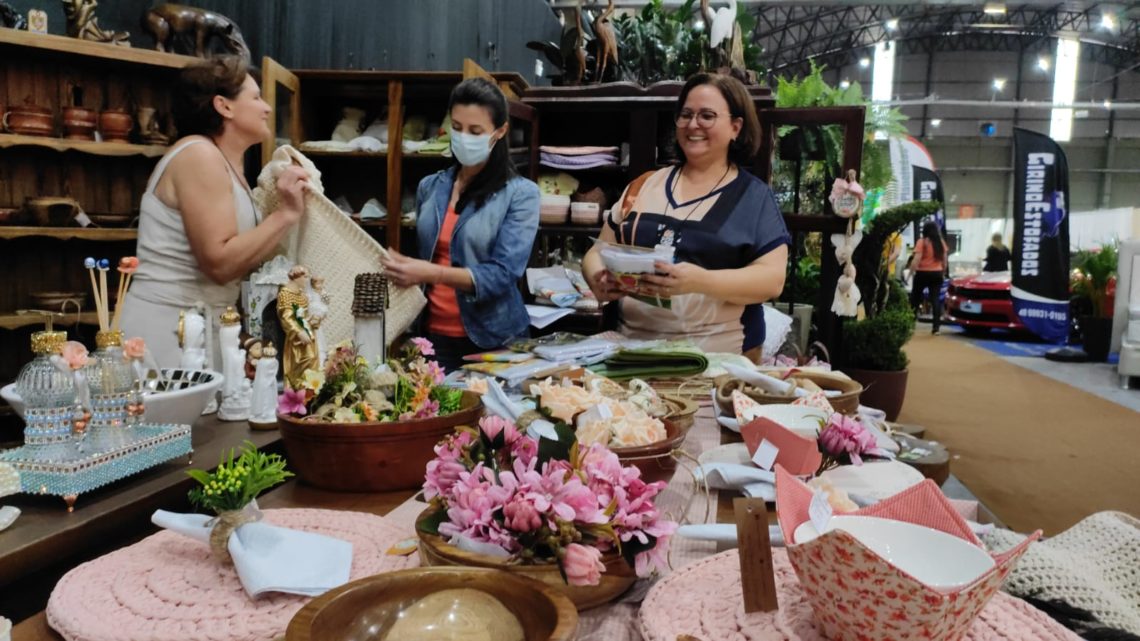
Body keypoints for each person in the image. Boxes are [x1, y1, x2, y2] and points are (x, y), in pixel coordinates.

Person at [581, 73, 790, 357]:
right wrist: (597, 277)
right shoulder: (642, 186)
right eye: (686, 114)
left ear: (735, 127)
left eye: (707, 116)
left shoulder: (754, 198)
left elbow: (772, 280)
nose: (693, 125)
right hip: (629, 354)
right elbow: (598, 251)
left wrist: (699, 281)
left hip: (717, 361)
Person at [121, 56, 309, 369]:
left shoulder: (225, 164)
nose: (267, 107)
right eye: (256, 97)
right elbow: (219, 263)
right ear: (224, 106)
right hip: (167, 330)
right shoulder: (199, 155)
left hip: (203, 328)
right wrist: (286, 214)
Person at [380, 78, 540, 371]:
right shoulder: (431, 186)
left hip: (495, 340)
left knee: (490, 417)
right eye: (456, 127)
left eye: (475, 131)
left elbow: (503, 274)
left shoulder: (521, 194)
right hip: (433, 337)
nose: (464, 137)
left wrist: (432, 272)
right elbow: (426, 254)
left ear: (500, 131)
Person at [909, 220, 950, 335]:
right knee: (935, 299)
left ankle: (911, 324)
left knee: (915, 298)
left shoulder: (922, 242)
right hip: (937, 274)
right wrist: (943, 272)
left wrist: (910, 272)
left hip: (922, 273)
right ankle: (936, 328)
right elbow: (945, 260)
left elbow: (916, 259)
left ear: (924, 230)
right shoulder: (940, 242)